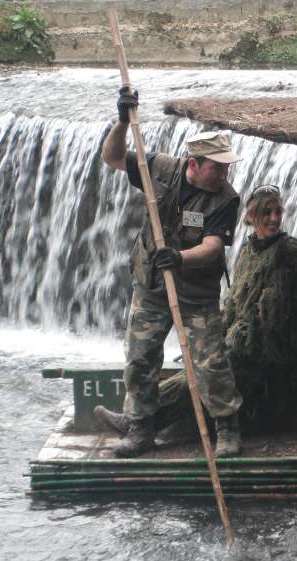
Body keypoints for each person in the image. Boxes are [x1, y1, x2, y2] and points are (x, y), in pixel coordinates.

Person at [96, 185, 297, 440]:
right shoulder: (249, 250)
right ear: (252, 216)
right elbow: (236, 305)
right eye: (266, 212)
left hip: (277, 355)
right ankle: (138, 418)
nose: (273, 219)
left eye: (277, 212)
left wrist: (231, 343)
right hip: (249, 344)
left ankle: (140, 422)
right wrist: (217, 338)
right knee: (202, 364)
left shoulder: (289, 254)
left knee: (206, 373)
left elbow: (276, 320)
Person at [96, 86, 243, 457]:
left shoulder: (226, 198)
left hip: (196, 294)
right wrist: (122, 121)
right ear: (194, 165)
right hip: (151, 285)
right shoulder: (158, 169)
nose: (224, 173)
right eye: (217, 167)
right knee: (140, 358)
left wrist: (180, 258)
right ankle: (140, 429)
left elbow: (212, 248)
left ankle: (227, 428)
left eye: (226, 167)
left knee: (211, 363)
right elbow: (112, 157)